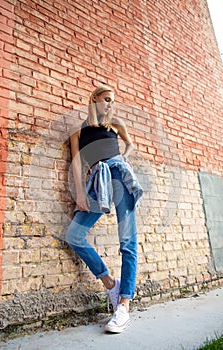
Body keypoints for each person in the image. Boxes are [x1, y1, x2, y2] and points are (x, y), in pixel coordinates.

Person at [66, 85, 143, 333]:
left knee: (127, 243)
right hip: (97, 181)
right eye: (106, 99)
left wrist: (124, 159)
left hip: (120, 177)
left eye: (113, 100)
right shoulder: (79, 130)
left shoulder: (115, 123)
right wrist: (79, 192)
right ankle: (110, 283)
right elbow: (77, 162)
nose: (110, 104)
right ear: (95, 99)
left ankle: (124, 306)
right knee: (74, 236)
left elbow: (129, 145)